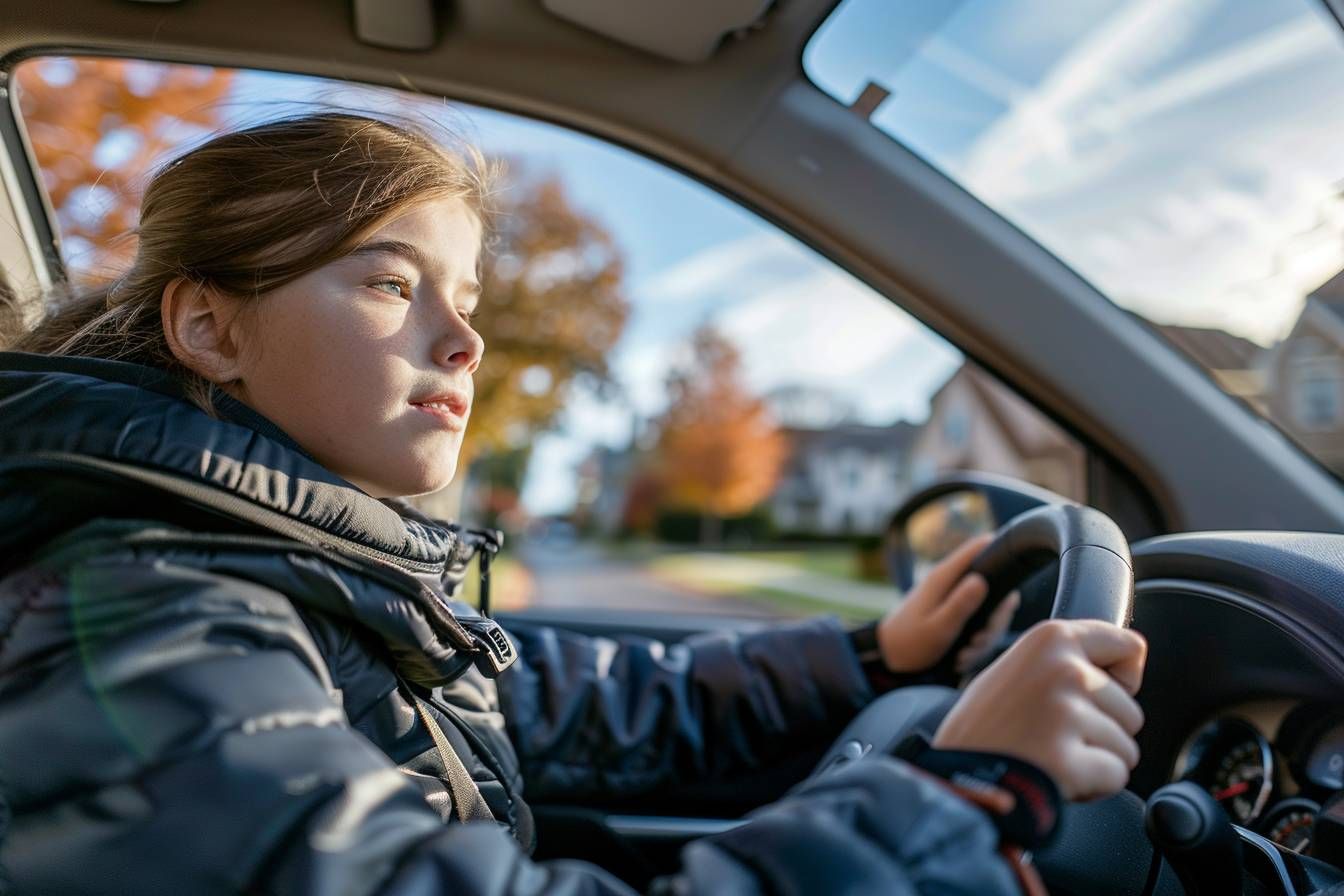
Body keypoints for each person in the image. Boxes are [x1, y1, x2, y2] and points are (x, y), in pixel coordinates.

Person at [0, 111, 1147, 895]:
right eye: (393, 284)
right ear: (211, 327)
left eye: (465, 295)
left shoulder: (292, 574)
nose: (464, 338)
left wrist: (869, 659)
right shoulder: (141, 613)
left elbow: (574, 696)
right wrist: (958, 794)